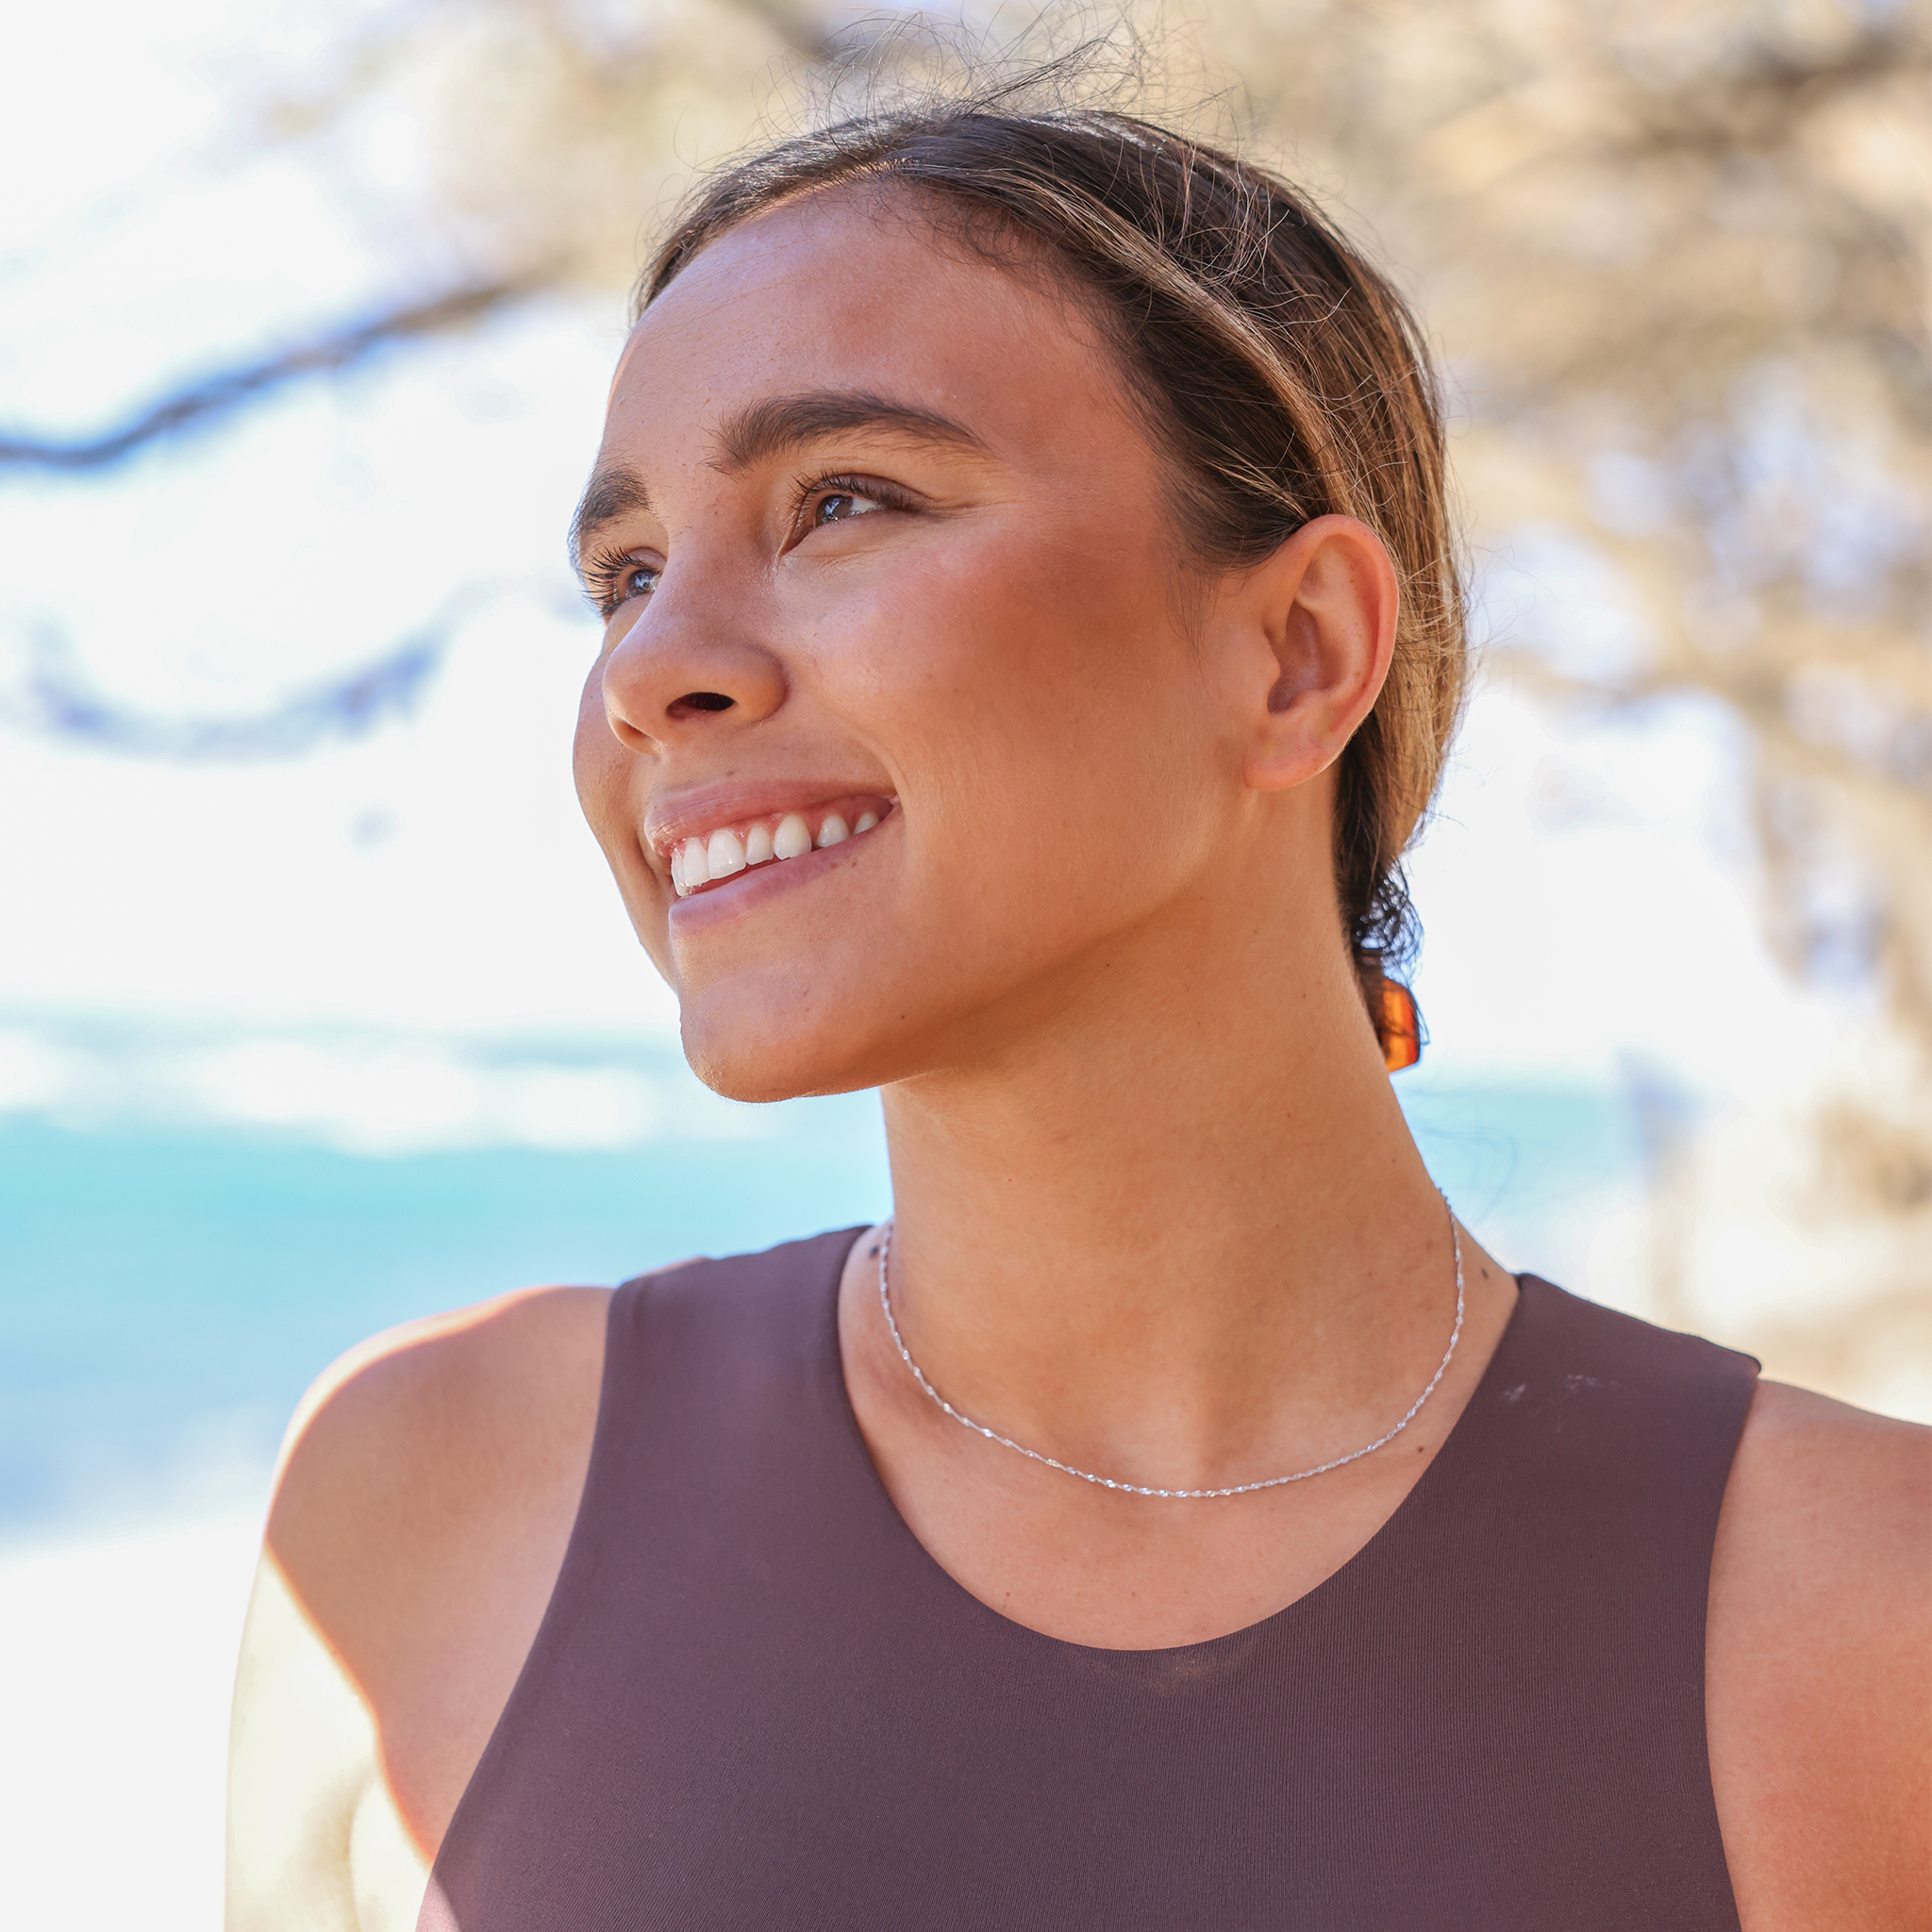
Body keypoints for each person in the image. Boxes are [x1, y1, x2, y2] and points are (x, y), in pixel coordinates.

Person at [225, 99, 1930, 1932]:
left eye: (845, 500)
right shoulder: (425, 1499)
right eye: (626, 573)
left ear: (1293, 653)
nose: (648, 670)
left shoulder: (1860, 1620)